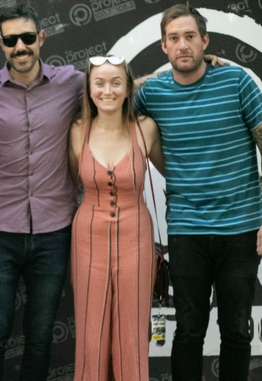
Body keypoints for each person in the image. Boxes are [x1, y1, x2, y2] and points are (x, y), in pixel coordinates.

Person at [134, 2, 262, 381]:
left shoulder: (236, 81)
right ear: (163, 47)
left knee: (236, 332)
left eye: (191, 37)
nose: (183, 45)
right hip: (187, 230)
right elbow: (113, 90)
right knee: (188, 332)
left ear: (205, 40)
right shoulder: (154, 92)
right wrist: (153, 76)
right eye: (173, 39)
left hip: (240, 229)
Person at [0, 4, 84, 381]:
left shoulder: (73, 82)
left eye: (27, 38)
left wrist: (194, 64)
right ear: (1, 43)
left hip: (55, 229)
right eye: (11, 40)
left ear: (41, 38)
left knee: (41, 334)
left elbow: (121, 86)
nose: (20, 46)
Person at [68, 55, 164, 381]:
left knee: (132, 337)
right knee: (90, 335)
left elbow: (177, 174)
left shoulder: (145, 129)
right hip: (87, 239)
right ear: (89, 89)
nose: (107, 91)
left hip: (136, 237)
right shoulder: (77, 132)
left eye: (115, 83)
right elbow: (65, 182)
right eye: (99, 83)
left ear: (127, 88)